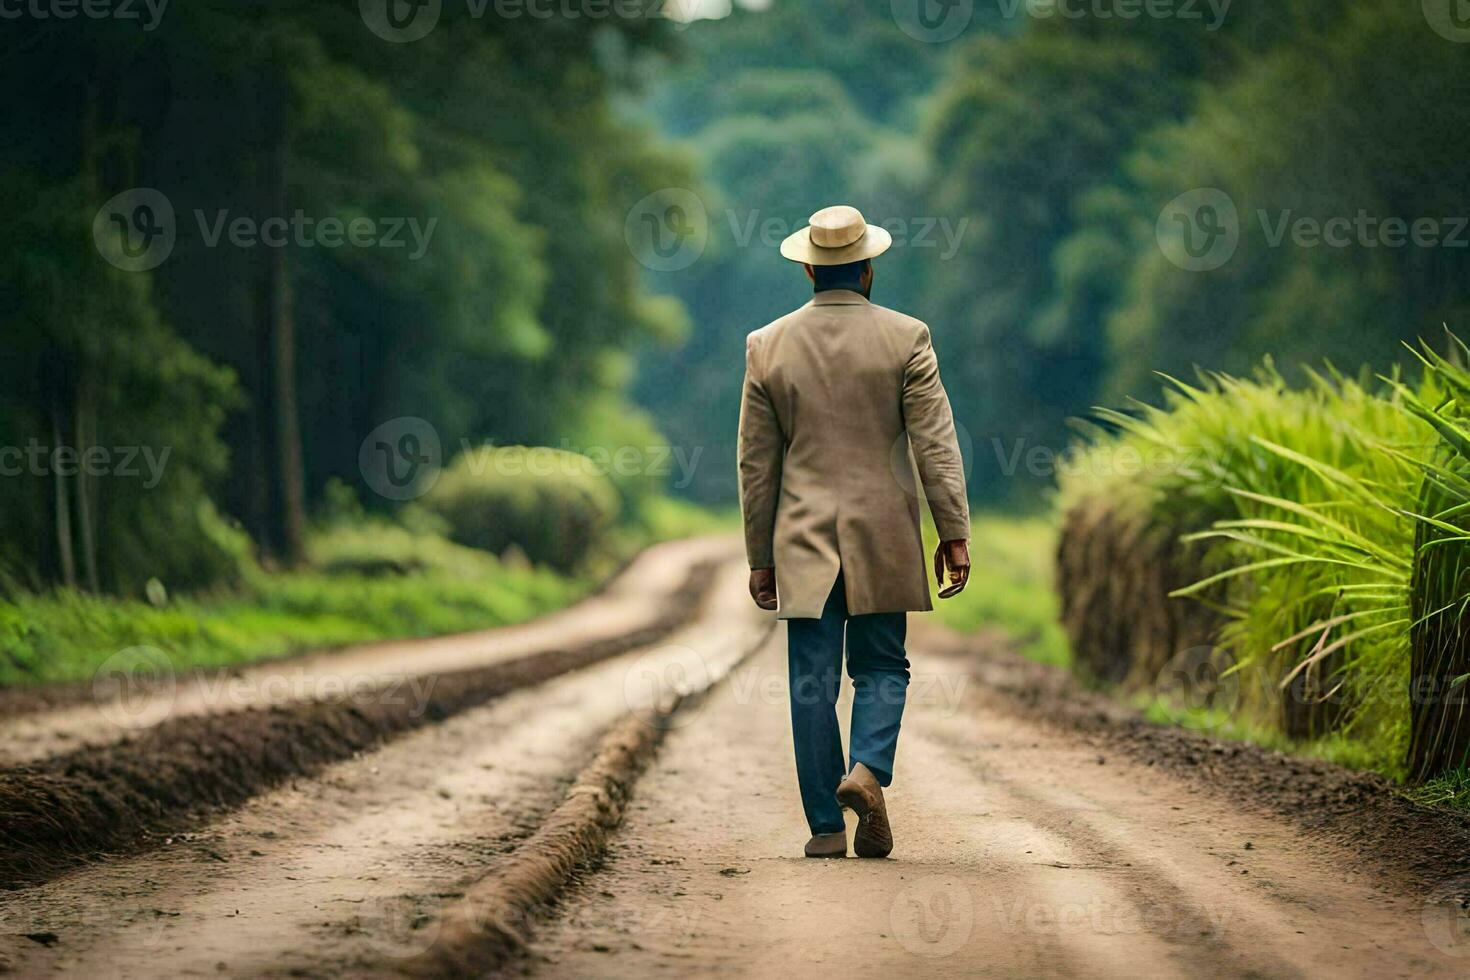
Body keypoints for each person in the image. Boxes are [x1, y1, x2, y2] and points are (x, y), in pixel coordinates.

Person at [738, 204, 971, 859]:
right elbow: (936, 444)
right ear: (867, 269)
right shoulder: (908, 338)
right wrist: (953, 531)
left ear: (808, 267)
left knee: (812, 680)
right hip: (885, 535)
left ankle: (824, 827)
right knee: (881, 667)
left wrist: (760, 555)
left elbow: (757, 465)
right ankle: (866, 770)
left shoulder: (767, 345)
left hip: (803, 539)